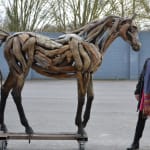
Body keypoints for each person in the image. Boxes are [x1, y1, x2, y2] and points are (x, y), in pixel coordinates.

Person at [127, 58, 150, 150]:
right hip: (146, 95)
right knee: (141, 119)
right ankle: (135, 143)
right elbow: (142, 76)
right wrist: (137, 91)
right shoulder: (148, 61)